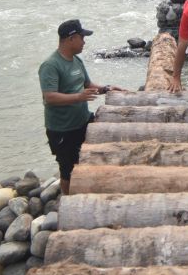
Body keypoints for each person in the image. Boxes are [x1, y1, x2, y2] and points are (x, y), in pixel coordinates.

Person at [39, 19, 125, 195]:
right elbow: (49, 97)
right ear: (71, 39)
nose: (84, 42)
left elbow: (87, 85)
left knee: (99, 151)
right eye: (82, 38)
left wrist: (106, 89)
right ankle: (68, 201)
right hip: (62, 129)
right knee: (68, 169)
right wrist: (78, 97)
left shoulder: (76, 61)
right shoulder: (51, 65)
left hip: (83, 120)